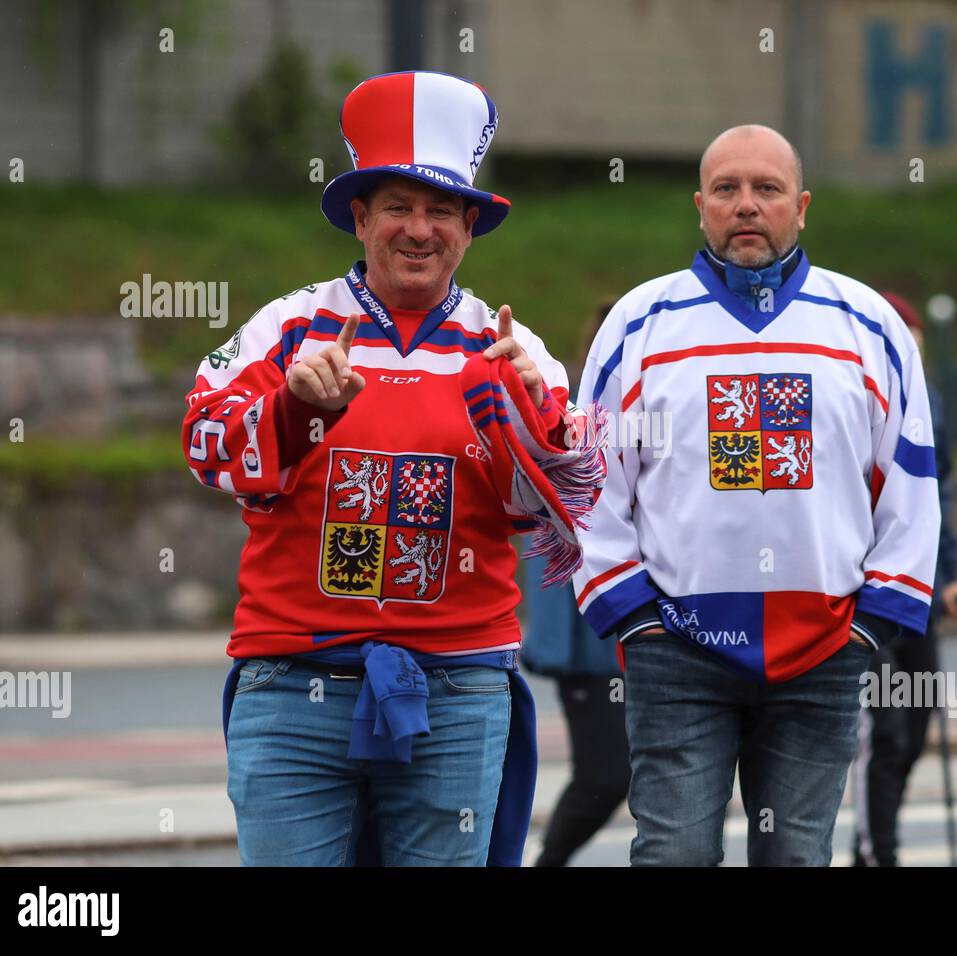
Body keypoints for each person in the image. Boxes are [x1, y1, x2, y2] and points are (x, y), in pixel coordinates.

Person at [182, 71, 600, 866]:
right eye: (398, 207)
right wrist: (295, 413)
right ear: (362, 218)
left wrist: (528, 421)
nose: (419, 228)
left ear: (470, 227)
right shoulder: (288, 327)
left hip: (458, 686)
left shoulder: (513, 349)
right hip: (291, 680)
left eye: (441, 209)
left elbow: (556, 508)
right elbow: (205, 447)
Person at [572, 125, 940, 866]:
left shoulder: (869, 326)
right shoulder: (638, 325)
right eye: (728, 190)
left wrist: (872, 628)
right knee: (674, 854)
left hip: (825, 650)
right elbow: (590, 483)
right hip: (674, 649)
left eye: (767, 189)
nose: (747, 205)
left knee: (797, 858)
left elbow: (912, 484)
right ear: (700, 205)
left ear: (800, 207)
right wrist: (634, 620)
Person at [849, 291, 957, 868]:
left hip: (919, 592)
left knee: (917, 726)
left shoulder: (928, 401)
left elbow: (936, 495)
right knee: (888, 731)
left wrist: (949, 575)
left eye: (916, 341)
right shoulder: (856, 394)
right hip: (866, 593)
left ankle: (873, 843)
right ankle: (881, 852)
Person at [521, 301, 632, 867]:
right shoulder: (571, 415)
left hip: (637, 627)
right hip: (587, 633)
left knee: (636, 773)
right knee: (607, 773)